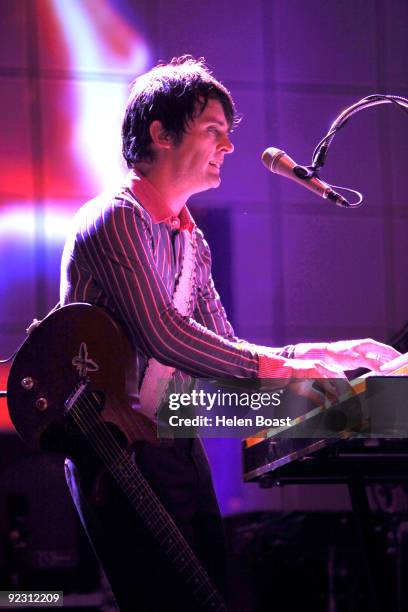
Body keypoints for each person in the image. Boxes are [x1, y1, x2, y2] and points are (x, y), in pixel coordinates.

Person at [59, 55, 399, 611]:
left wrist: (332, 353)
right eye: (213, 130)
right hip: (116, 451)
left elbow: (227, 351)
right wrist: (288, 371)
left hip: (174, 441)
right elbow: (164, 335)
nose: (230, 146)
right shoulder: (112, 219)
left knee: (208, 593)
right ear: (161, 133)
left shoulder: (192, 243)